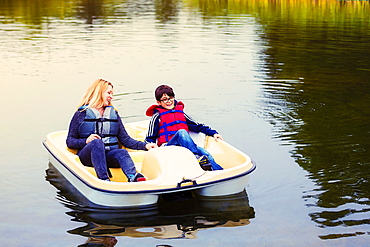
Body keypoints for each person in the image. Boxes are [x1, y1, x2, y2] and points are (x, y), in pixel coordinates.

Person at [66, 79, 157, 182]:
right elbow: (70, 141)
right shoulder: (81, 114)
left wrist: (145, 146)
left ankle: (134, 177)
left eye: (112, 93)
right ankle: (104, 180)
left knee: (122, 152)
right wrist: (86, 141)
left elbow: (125, 139)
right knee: (97, 142)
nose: (111, 97)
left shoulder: (113, 114)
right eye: (108, 93)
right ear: (99, 92)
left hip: (108, 156)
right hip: (87, 157)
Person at [145, 85, 223, 170]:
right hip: (168, 147)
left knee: (206, 154)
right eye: (164, 99)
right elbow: (150, 138)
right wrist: (150, 148)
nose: (169, 101)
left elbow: (197, 126)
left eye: (170, 98)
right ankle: (195, 157)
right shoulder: (157, 116)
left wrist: (214, 133)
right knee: (181, 132)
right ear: (159, 102)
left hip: (185, 146)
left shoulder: (181, 113)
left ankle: (220, 172)